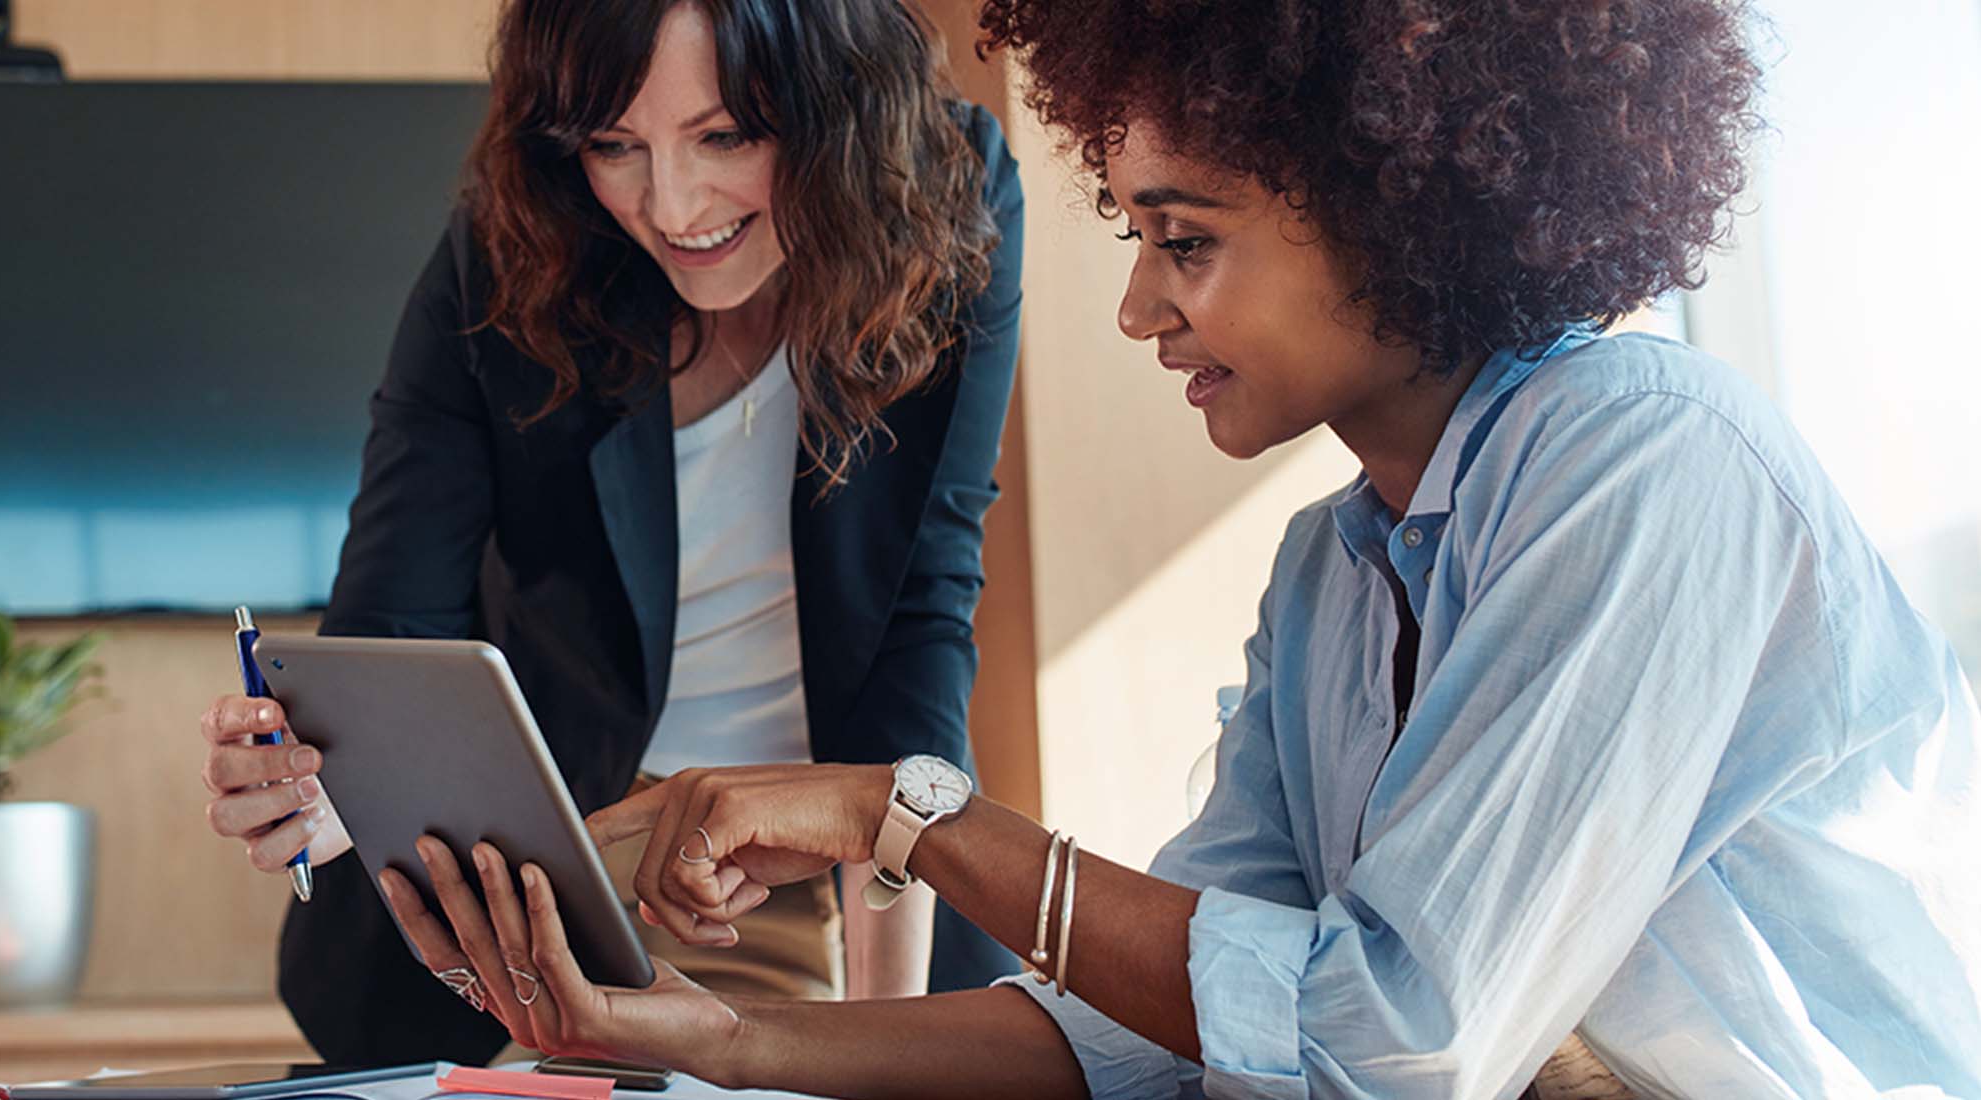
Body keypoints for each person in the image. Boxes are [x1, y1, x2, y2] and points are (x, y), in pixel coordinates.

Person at [377, 0, 1981, 1096]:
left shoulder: (1648, 462)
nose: (1142, 306)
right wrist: (719, 1040)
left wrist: (903, 811)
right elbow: (1142, 1036)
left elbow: (1385, 1046)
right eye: (1139, 240)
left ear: (1396, 200)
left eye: (1187, 242)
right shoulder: (1329, 584)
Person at [191, 0, 1027, 1067]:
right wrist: (317, 777)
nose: (671, 206)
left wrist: (885, 1035)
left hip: (831, 866)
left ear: (839, 110)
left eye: (724, 135)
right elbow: (392, 630)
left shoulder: (945, 198)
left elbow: (921, 608)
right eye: (612, 145)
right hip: (548, 874)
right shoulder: (511, 247)